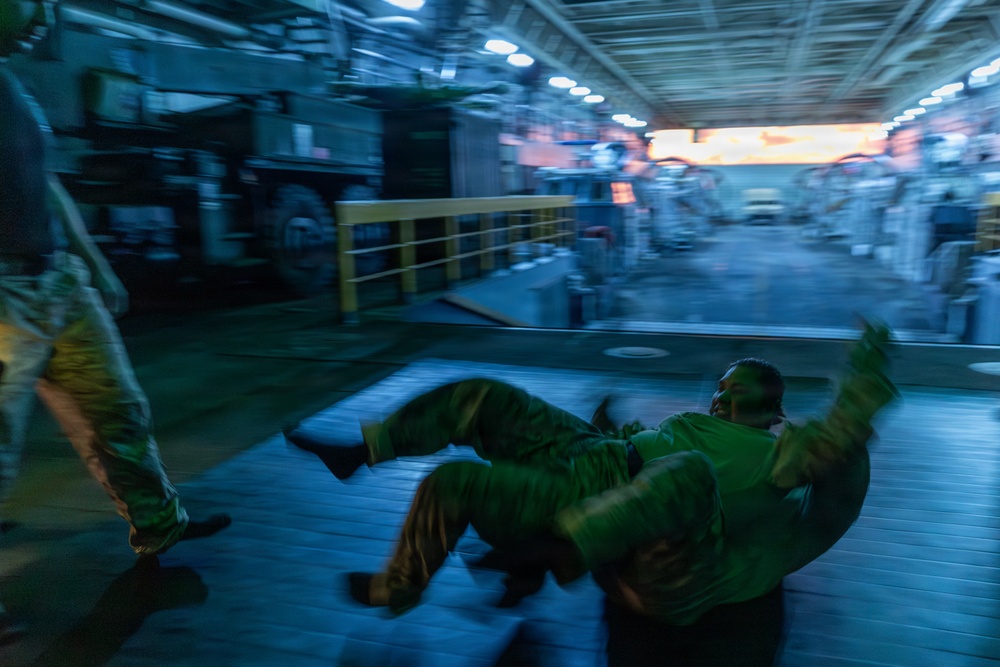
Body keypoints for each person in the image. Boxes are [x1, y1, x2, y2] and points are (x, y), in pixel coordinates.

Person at [287, 323, 896, 622]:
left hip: (631, 507)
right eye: (720, 389)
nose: (720, 398)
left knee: (453, 484)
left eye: (733, 393)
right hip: (597, 458)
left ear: (771, 405)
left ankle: (409, 584)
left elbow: (841, 434)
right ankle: (364, 450)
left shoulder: (781, 453)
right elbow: (639, 442)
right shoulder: (696, 421)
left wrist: (867, 367)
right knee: (485, 396)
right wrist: (614, 423)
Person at [0, 0, 230, 643]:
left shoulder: (12, 85)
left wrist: (93, 263)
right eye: (29, 4)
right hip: (4, 291)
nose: (45, 15)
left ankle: (159, 522)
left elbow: (44, 184)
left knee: (117, 410)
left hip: (58, 280)